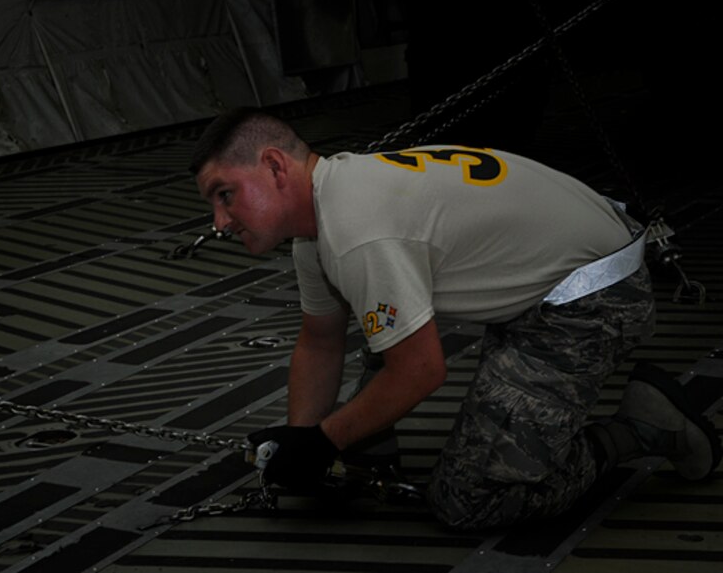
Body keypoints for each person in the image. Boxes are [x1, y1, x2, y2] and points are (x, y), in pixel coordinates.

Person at [189, 107, 721, 531]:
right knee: (382, 312)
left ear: (276, 166)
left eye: (225, 195)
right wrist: (298, 442)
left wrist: (322, 443)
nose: (218, 222)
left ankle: (644, 428)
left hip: (591, 298)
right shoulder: (322, 216)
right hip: (544, 275)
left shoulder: (357, 230)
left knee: (472, 502)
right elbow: (319, 340)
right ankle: (366, 440)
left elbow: (420, 370)